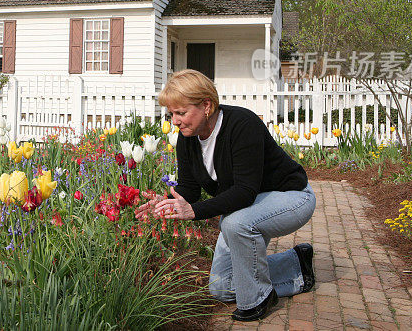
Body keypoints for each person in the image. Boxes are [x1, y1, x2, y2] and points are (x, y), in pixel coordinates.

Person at [135, 69, 316, 322]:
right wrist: (167, 200)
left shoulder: (242, 125)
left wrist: (194, 211)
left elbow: (244, 192)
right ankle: (296, 265)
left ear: (206, 105)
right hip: (249, 207)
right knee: (221, 287)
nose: (174, 121)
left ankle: (258, 298)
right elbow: (189, 188)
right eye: (171, 114)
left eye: (181, 113)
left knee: (234, 223)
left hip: (291, 197)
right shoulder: (188, 136)